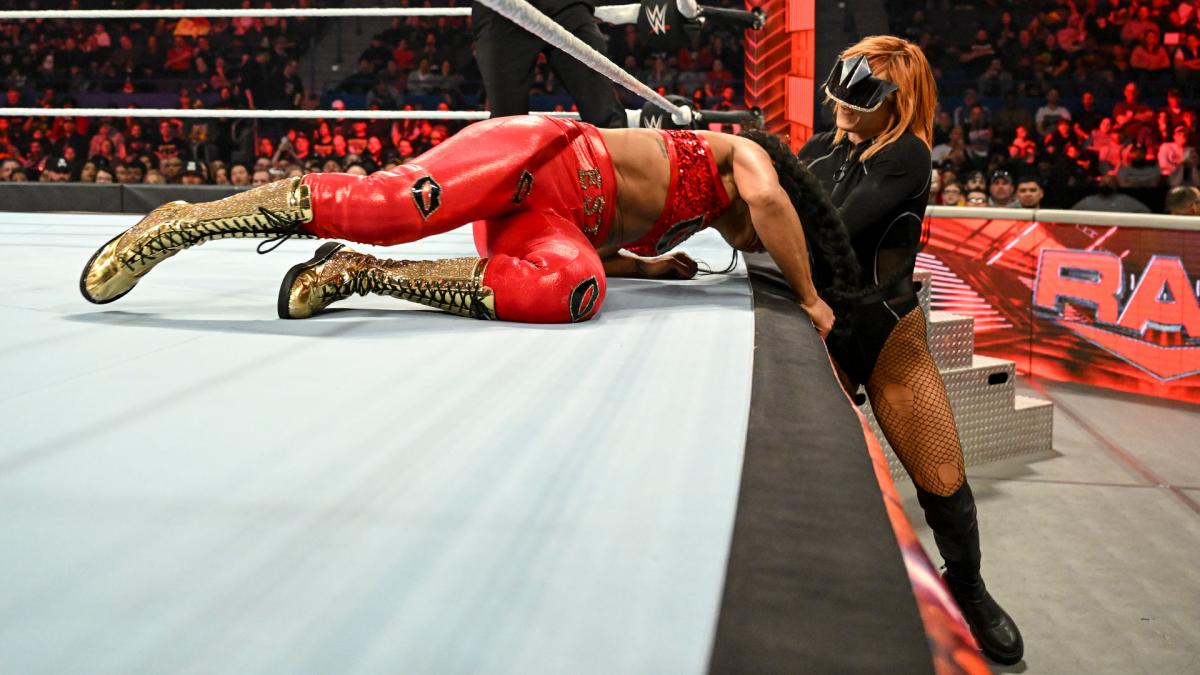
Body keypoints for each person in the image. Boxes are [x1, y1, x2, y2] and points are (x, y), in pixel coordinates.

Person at [80, 115, 835, 334]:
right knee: (390, 208)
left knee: (576, 289)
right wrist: (809, 296)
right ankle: (186, 221)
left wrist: (645, 267)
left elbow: (599, 241)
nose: (752, 245)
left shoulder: (692, 218)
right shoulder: (740, 153)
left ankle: (358, 273)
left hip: (548, 218)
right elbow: (774, 207)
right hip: (541, 155)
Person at [795, 36, 1024, 665]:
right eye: (841, 95)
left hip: (886, 330)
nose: (843, 107)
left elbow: (828, 230)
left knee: (943, 477)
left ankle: (969, 588)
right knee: (818, 480)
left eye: (860, 99)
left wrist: (761, 190)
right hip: (817, 330)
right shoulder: (816, 150)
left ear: (896, 101)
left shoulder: (908, 156)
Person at [472, 0, 625, 128]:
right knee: (506, 123)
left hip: (563, 7)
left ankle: (615, 155)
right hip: (502, 11)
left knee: (605, 111)